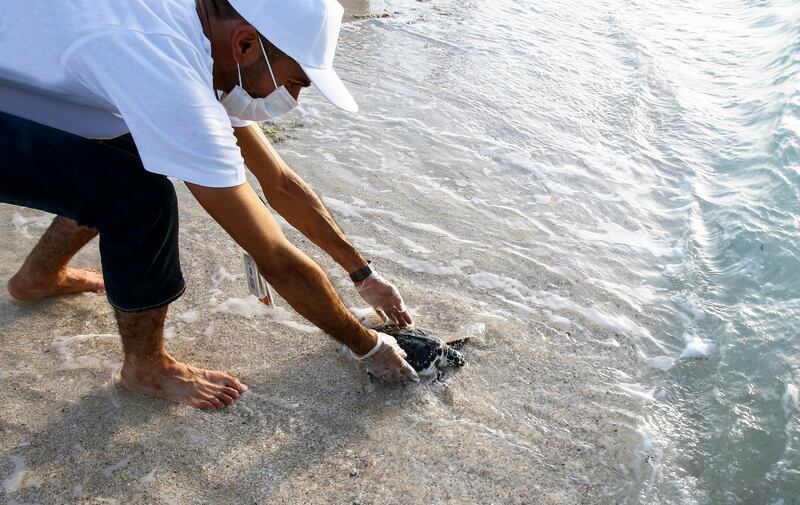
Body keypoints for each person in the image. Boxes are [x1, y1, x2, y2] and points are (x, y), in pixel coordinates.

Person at [0, 0, 420, 411]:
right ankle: (147, 368)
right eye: (296, 81)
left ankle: (39, 276)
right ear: (246, 44)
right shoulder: (168, 73)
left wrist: (363, 274)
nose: (294, 97)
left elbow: (280, 182)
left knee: (128, 149)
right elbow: (274, 256)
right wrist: (368, 347)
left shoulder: (198, 34)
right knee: (140, 199)